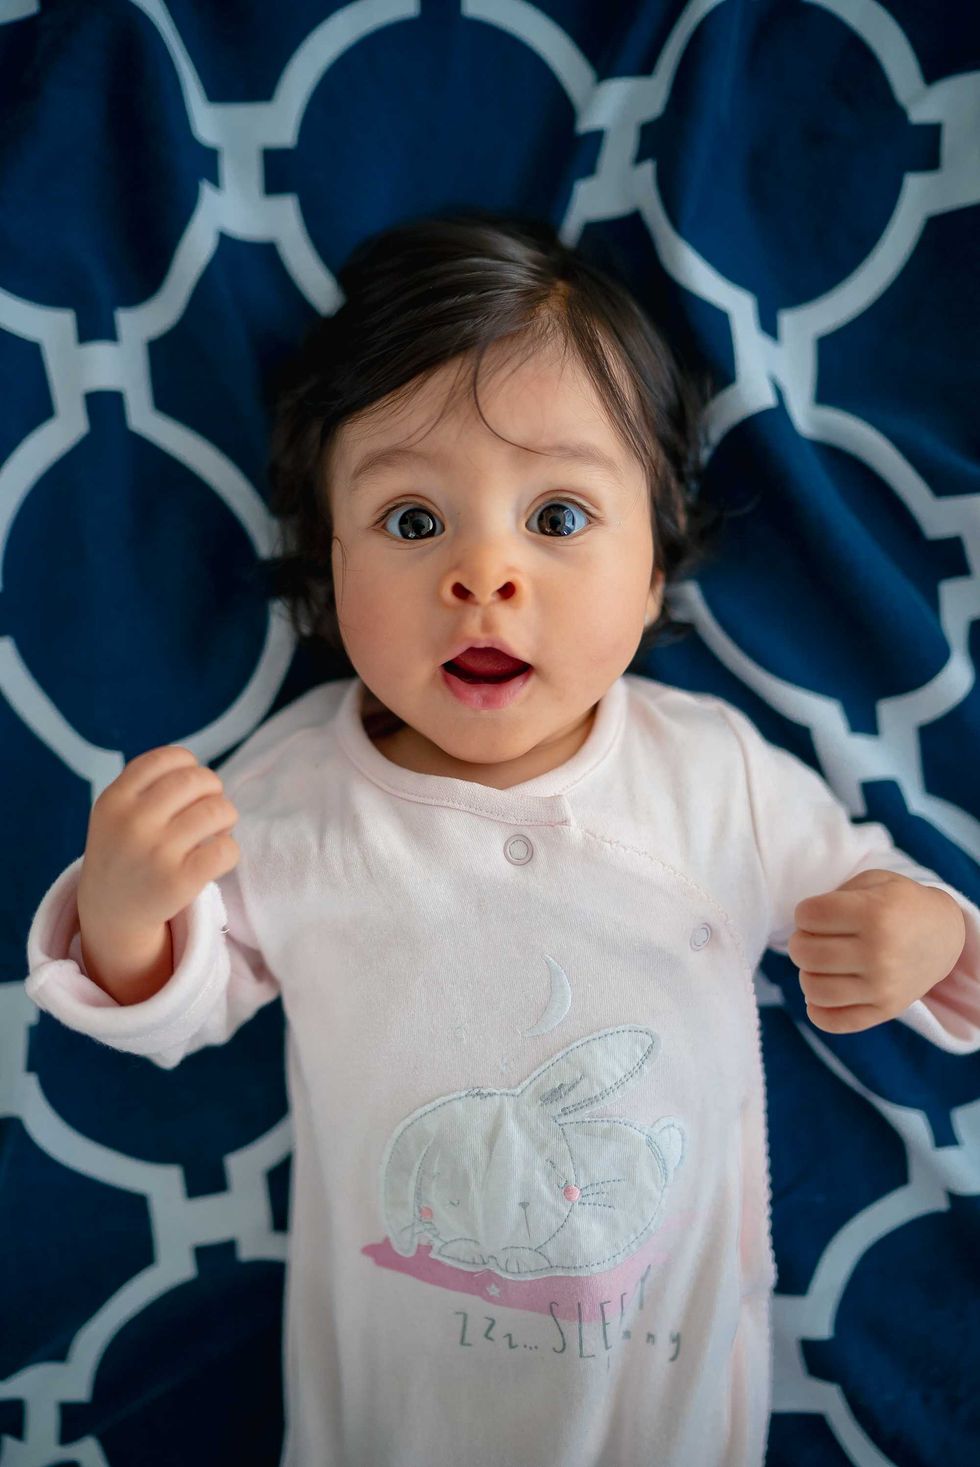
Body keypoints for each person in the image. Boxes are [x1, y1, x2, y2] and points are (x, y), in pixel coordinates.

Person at [25, 211, 979, 1467]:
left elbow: (867, 883)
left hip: (670, 1412)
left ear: (651, 570)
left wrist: (926, 930)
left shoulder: (709, 775)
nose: (483, 572)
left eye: (560, 517)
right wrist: (128, 908)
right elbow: (180, 1002)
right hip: (392, 1424)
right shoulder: (294, 793)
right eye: (413, 523)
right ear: (328, 561)